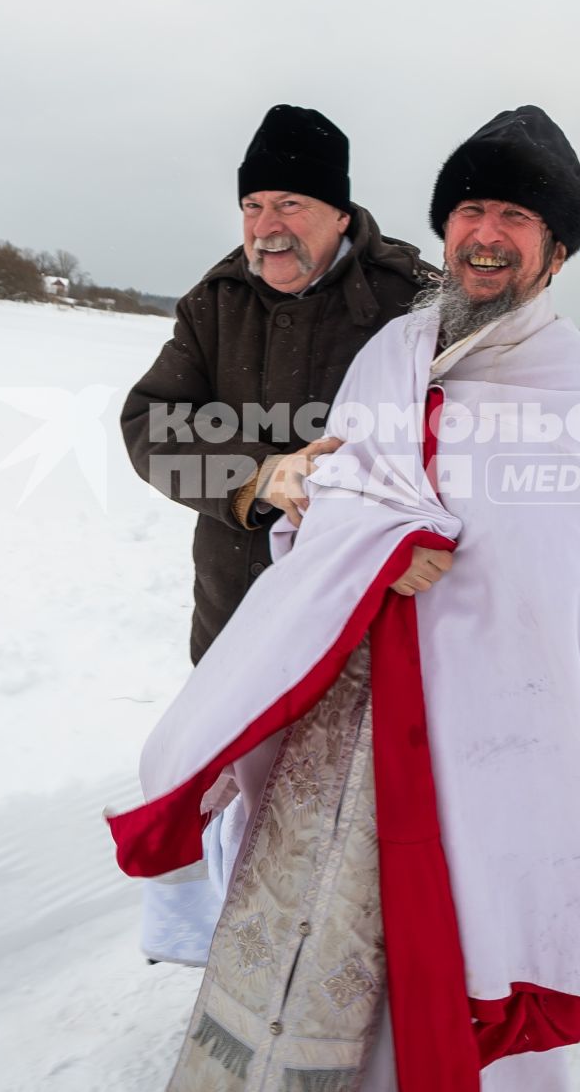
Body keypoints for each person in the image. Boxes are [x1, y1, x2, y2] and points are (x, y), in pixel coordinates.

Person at [110, 106, 580, 1086]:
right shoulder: (318, 328)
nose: (485, 233)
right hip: (298, 664)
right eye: (470, 209)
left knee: (437, 945)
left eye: (515, 217)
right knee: (280, 911)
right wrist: (303, 504)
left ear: (557, 249)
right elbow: (305, 484)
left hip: (473, 725)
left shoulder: (569, 379)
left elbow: (543, 564)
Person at [121, 105, 435, 964]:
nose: (267, 229)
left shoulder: (413, 300)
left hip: (361, 622)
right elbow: (149, 423)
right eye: (253, 206)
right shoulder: (215, 300)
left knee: (343, 822)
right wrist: (255, 479)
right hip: (235, 606)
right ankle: (234, 973)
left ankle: (340, 999)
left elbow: (486, 415)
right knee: (235, 799)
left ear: (340, 212)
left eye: (289, 204)